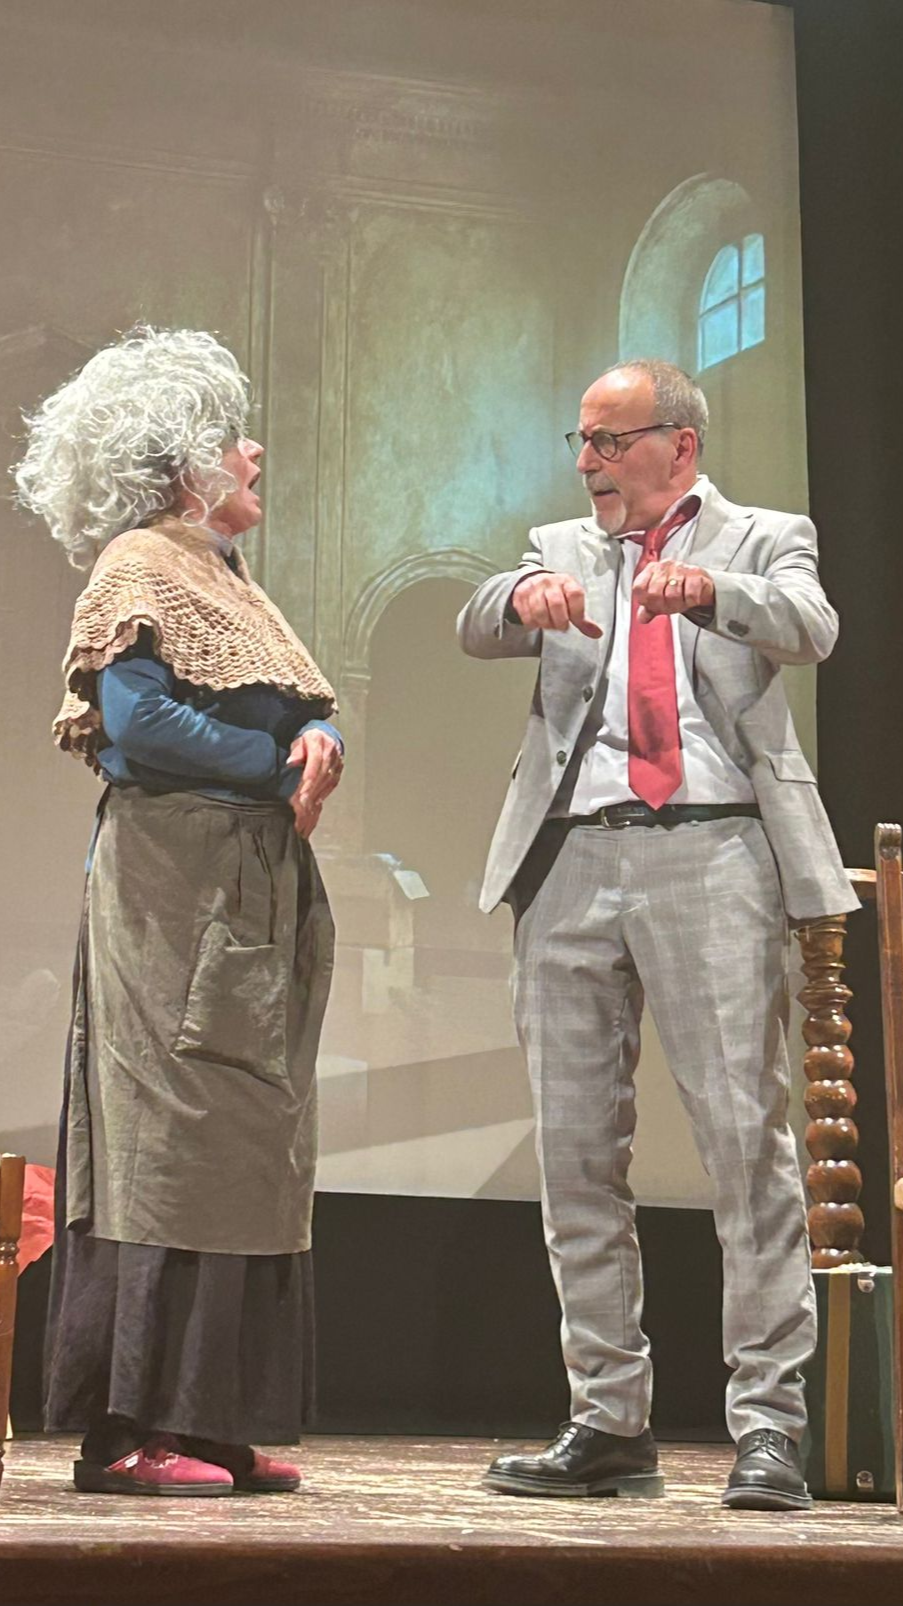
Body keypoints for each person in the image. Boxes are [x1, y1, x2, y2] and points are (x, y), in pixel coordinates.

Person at [457, 358, 857, 1511]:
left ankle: (770, 1424)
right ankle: (607, 1421)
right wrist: (520, 601)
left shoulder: (764, 535)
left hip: (713, 845)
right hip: (569, 857)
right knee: (576, 1151)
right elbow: (477, 620)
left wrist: (713, 592)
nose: (587, 461)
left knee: (744, 1140)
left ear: (678, 444)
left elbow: (813, 625)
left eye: (609, 439)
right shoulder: (562, 545)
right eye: (580, 441)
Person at [15, 326, 342, 1496]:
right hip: (174, 886)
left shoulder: (224, 575)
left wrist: (320, 737)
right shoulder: (139, 566)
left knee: (244, 1150)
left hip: (246, 885)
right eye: (229, 439)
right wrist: (277, 762)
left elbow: (293, 702)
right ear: (178, 462)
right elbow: (139, 724)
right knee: (167, 1143)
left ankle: (211, 1421)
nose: (252, 454)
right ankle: (128, 1432)